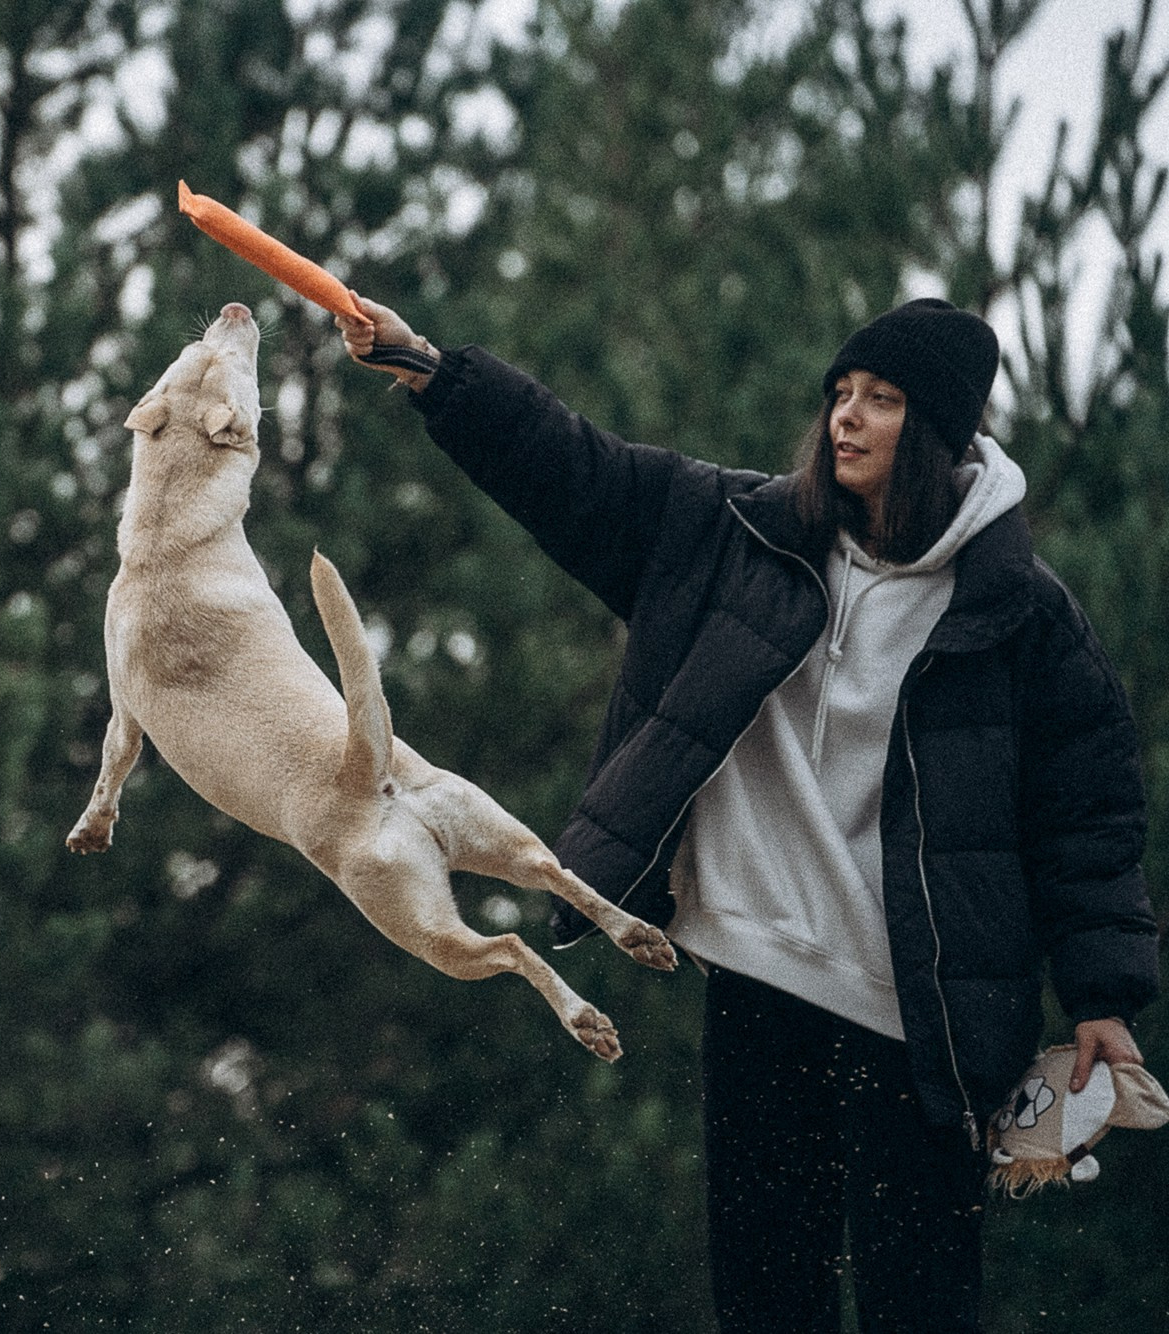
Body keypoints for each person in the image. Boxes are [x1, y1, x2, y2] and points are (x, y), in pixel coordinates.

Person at [336, 293, 1158, 1332]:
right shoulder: (734, 533)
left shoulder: (1018, 611)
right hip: (756, 986)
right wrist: (432, 369)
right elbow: (577, 471)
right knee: (766, 1303)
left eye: (882, 398)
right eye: (840, 393)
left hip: (919, 1027)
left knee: (920, 1307)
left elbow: (1085, 815)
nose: (845, 416)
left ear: (939, 432)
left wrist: (1101, 996)